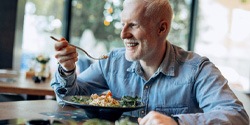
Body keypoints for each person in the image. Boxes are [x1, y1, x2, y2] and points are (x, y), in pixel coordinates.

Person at [51, 0, 249, 124]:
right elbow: (68, 98)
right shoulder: (112, 63)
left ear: (162, 29)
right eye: (122, 24)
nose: (123, 34)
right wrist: (68, 70)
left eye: (133, 25)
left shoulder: (197, 70)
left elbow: (237, 117)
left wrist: (176, 123)